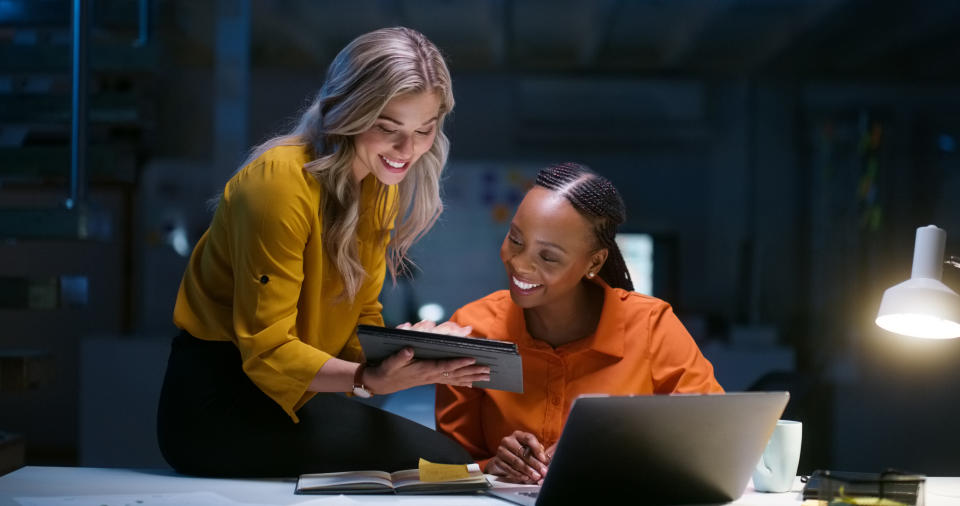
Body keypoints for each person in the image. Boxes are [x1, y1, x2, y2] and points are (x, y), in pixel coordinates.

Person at [157, 27, 489, 478]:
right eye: (387, 128)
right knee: (442, 465)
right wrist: (367, 378)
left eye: (423, 130)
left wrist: (404, 352)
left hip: (294, 395)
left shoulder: (378, 183)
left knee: (449, 465)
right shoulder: (278, 184)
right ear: (346, 112)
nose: (406, 151)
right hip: (217, 407)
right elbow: (268, 351)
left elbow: (361, 312)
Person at [435, 162, 724, 484]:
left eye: (548, 257)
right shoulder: (473, 328)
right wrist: (492, 467)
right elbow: (448, 466)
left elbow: (714, 442)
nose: (519, 264)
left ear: (595, 262)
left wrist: (615, 452)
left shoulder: (651, 327)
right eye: (516, 240)